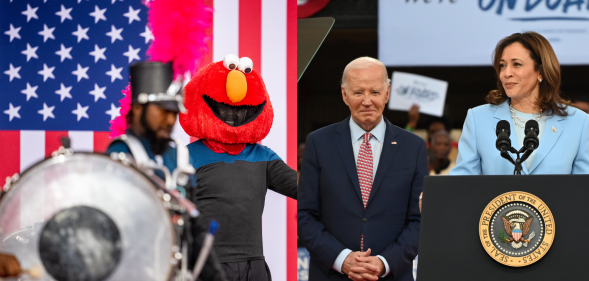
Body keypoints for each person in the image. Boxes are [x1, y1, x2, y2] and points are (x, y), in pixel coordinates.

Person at [298, 57, 427, 281]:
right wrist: (342, 259)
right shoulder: (319, 143)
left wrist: (385, 262)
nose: (367, 101)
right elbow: (306, 216)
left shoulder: (413, 147)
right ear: (344, 95)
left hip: (391, 275)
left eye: (375, 92)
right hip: (332, 274)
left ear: (387, 93)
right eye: (358, 92)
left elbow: (420, 220)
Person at [106, 61, 227, 281]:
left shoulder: (179, 155)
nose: (170, 120)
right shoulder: (121, 153)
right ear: (137, 108)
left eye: (174, 112)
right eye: (163, 111)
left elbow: (194, 228)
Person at [450, 32, 589, 175]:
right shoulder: (477, 118)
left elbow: (583, 188)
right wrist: (435, 196)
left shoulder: (578, 122)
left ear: (540, 72)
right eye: (502, 65)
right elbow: (461, 183)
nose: (506, 73)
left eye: (517, 64)